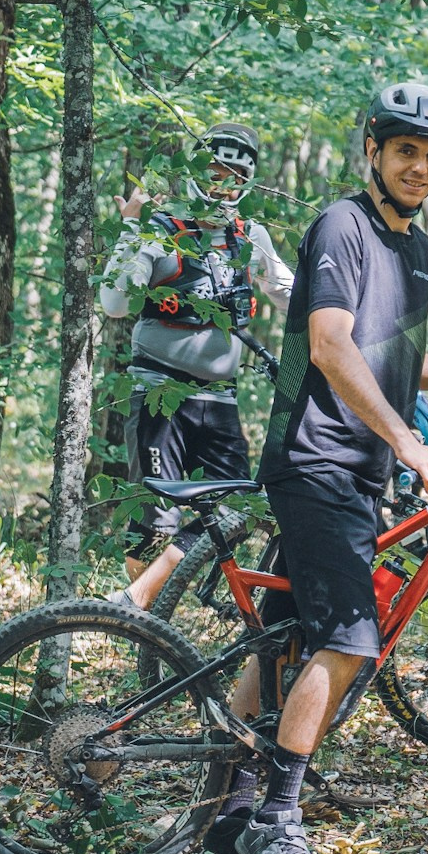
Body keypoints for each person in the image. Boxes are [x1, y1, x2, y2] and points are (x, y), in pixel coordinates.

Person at [224, 82, 428, 854]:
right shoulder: (342, 226)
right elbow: (331, 347)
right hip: (316, 459)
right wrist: (403, 438)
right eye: (405, 151)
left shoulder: (417, 251)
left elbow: (389, 360)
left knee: (283, 634)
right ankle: (276, 822)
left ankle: (229, 800)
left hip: (357, 472)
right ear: (373, 149)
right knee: (351, 640)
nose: (420, 168)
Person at [98, 124, 295, 610]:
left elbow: (290, 292)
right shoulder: (160, 230)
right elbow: (115, 302)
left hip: (220, 398)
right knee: (154, 518)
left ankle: (142, 600)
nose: (222, 183)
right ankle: (138, 624)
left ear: (248, 181)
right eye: (214, 170)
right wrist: (131, 225)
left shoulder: (250, 236)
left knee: (237, 508)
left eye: (234, 174)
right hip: (160, 394)